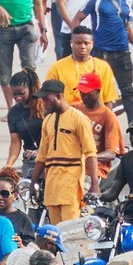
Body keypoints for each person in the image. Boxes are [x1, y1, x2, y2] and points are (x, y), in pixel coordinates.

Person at [75, 0, 133, 123]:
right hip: (101, 54)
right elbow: (77, 18)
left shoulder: (126, 3)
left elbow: (129, 31)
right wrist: (79, 41)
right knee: (98, 93)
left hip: (123, 53)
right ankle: (99, 126)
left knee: (128, 93)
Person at [35, 80, 97, 224]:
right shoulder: (47, 121)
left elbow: (90, 153)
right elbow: (42, 156)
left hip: (70, 184)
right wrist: (33, 182)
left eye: (46, 99)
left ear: (58, 96)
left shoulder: (79, 119)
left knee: (70, 229)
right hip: (52, 186)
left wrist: (95, 184)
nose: (43, 103)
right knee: (55, 232)